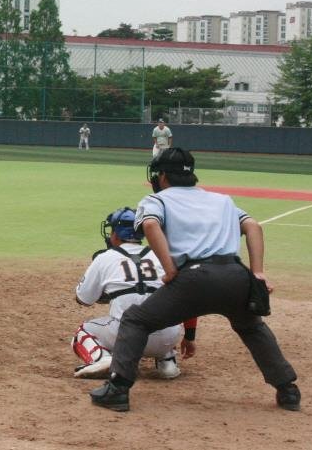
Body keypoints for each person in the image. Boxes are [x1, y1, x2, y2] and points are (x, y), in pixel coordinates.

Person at [89, 148, 300, 413]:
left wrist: (169, 269)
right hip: (235, 275)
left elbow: (151, 226)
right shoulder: (221, 200)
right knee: (251, 327)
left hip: (195, 278)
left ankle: (117, 390)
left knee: (136, 320)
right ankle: (288, 390)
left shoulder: (157, 200)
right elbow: (254, 227)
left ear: (162, 176)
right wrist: (257, 273)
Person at [72, 207, 196, 380]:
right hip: (169, 336)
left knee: (82, 333)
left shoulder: (105, 257)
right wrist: (190, 337)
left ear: (115, 234)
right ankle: (167, 362)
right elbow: (188, 301)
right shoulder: (163, 255)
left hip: (127, 336)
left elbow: (83, 299)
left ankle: (102, 358)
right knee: (163, 310)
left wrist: (109, 292)